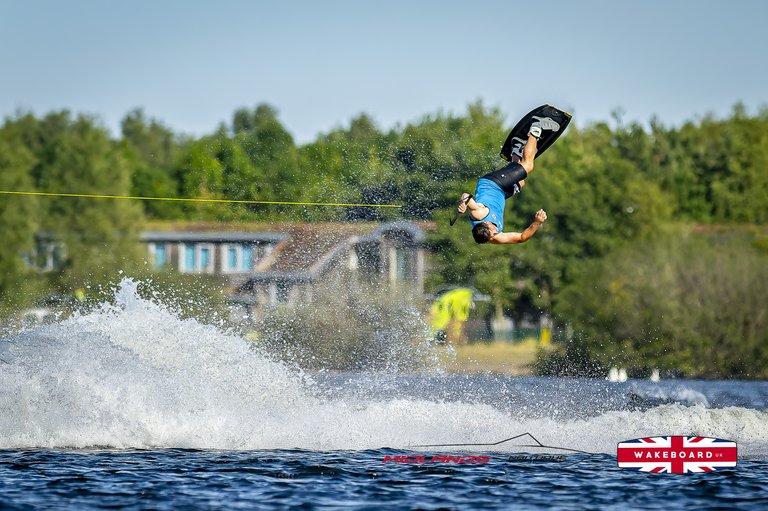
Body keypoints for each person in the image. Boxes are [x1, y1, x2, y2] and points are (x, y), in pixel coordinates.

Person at [456, 117, 560, 244]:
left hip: (493, 183)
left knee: (528, 166)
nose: (496, 233)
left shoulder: (478, 214)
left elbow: (465, 196)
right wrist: (537, 222)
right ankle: (517, 147)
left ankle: (536, 128)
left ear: (486, 224)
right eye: (493, 236)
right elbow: (522, 238)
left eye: (493, 232)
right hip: (502, 192)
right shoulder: (493, 237)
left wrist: (463, 204)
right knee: (521, 182)